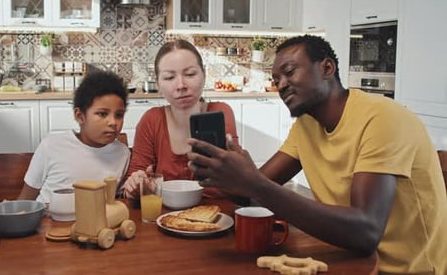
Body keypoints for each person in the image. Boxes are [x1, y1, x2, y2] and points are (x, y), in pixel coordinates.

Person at [187, 35, 447, 274]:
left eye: (289, 72)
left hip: (405, 270)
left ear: (327, 68)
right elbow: (252, 193)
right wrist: (227, 172)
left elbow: (366, 232)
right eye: (276, 80)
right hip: (346, 257)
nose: (282, 85)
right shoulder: (306, 127)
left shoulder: (382, 118)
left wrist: (254, 182)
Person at [122, 39, 238, 199]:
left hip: (216, 216)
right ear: (158, 83)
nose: (181, 85)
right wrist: (136, 185)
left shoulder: (220, 112)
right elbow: (136, 178)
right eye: (169, 78)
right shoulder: (152, 119)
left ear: (204, 74)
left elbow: (234, 180)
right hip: (165, 217)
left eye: (190, 74)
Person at [18, 71, 131, 203]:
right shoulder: (51, 146)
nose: (113, 122)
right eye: (102, 114)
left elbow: (116, 202)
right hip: (49, 221)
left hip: (96, 222)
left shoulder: (123, 154)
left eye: (119, 115)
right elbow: (25, 201)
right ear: (80, 116)